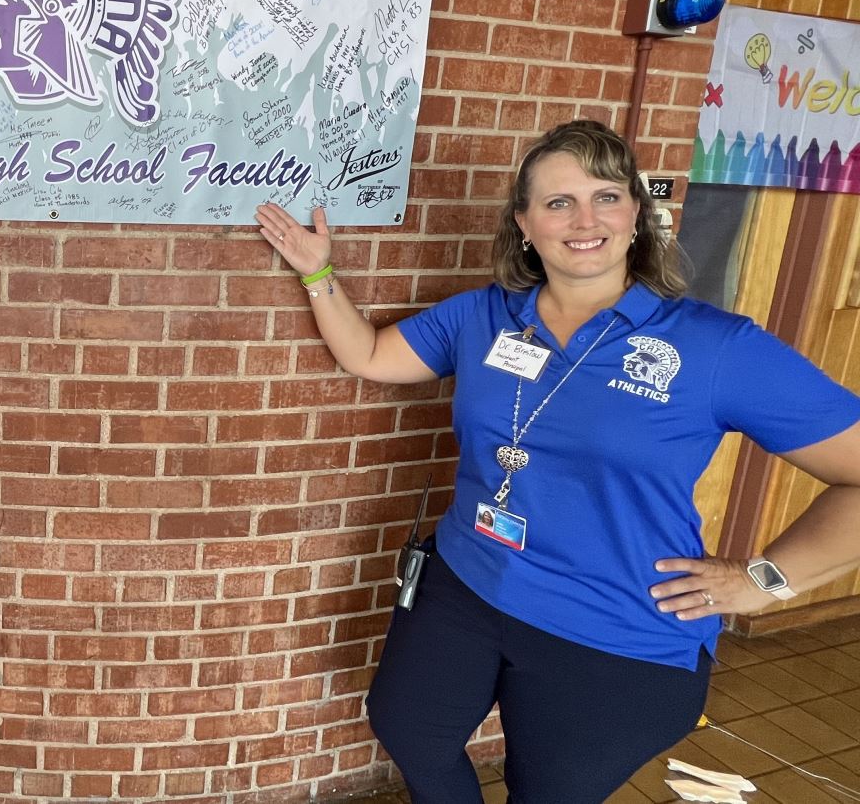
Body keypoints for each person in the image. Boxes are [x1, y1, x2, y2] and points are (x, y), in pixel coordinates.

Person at [256, 119, 860, 802]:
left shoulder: (715, 348)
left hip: (613, 627)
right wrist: (319, 273)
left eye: (607, 195)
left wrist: (765, 580)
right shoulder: (484, 316)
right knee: (408, 728)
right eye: (558, 201)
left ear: (637, 213)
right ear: (524, 223)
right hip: (468, 578)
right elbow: (368, 354)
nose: (585, 218)